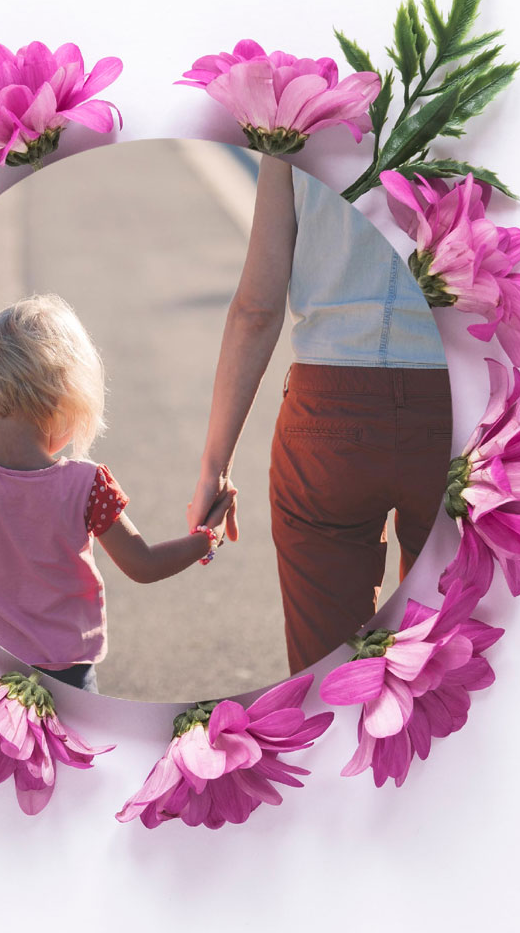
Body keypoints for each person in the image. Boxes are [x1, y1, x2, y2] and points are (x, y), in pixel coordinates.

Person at [187, 158, 451, 675]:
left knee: (328, 674)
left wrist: (214, 468)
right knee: (448, 651)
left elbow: (256, 310)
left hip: (327, 417)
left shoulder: (294, 129)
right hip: (445, 408)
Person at [0, 293, 234, 693]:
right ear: (65, 397)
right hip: (66, 674)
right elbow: (143, 565)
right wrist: (206, 539)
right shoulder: (89, 486)